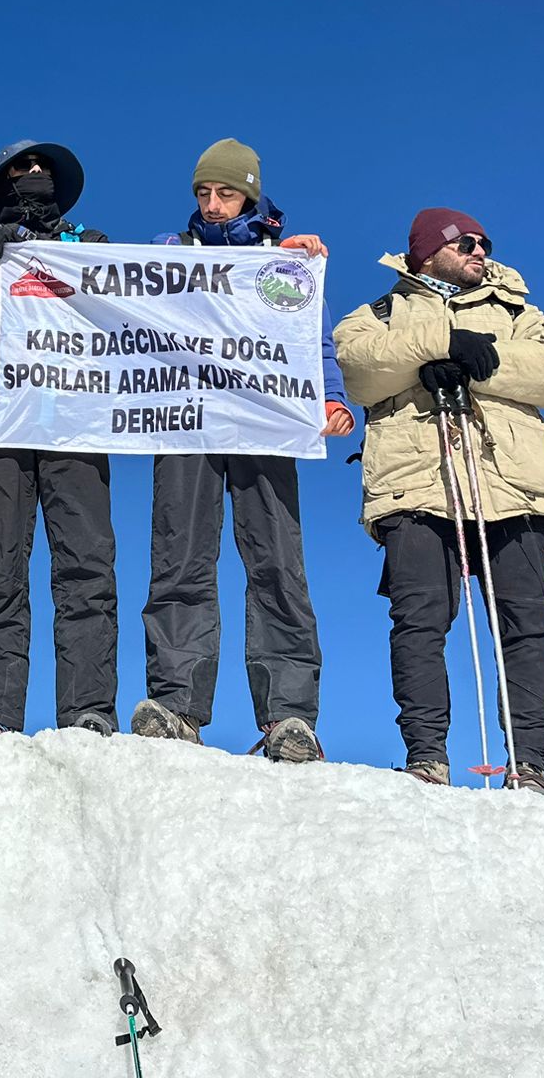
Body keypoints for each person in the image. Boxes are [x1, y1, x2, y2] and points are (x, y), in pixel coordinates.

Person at [333, 207, 544, 792]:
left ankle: (531, 765)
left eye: (484, 242)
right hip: (414, 484)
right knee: (419, 620)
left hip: (513, 486)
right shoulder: (376, 314)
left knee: (527, 624)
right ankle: (426, 757)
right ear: (424, 251)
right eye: (464, 242)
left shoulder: (519, 309)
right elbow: (357, 368)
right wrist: (438, 343)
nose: (480, 250)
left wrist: (470, 361)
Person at [130, 139, 356, 762]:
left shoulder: (282, 264)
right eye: (203, 193)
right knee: (179, 557)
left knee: (277, 563)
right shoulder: (171, 253)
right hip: (185, 421)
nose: (213, 203)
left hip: (265, 421)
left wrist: (330, 398)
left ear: (249, 195)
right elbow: (121, 298)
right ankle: (176, 704)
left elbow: (314, 338)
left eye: (226, 193)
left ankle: (289, 718)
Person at [0, 140, 119, 738]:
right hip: (3, 422)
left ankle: (88, 709)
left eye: (44, 167)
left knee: (87, 564)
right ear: (4, 182)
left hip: (76, 421)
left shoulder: (93, 249)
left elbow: (143, 315)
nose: (36, 175)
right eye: (23, 168)